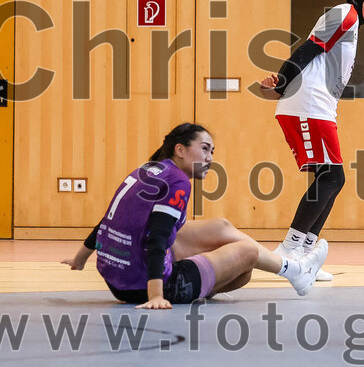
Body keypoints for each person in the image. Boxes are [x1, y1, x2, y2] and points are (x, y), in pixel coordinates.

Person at [63, 123, 327, 308]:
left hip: (118, 279)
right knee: (246, 253)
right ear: (180, 150)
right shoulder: (178, 181)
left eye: (212, 151)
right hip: (149, 285)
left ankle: (291, 268)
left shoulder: (148, 169)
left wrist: (80, 259)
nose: (210, 157)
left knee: (226, 235)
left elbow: (108, 220)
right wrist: (155, 295)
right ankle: (297, 271)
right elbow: (157, 239)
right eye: (204, 149)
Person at [260, 0, 364, 281]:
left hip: (318, 106)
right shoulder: (345, 12)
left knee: (334, 178)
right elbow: (306, 51)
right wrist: (281, 84)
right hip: (307, 103)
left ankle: (307, 252)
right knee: (331, 177)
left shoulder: (353, 24)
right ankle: (289, 249)